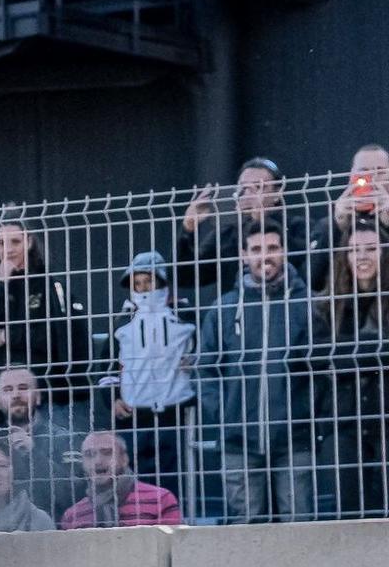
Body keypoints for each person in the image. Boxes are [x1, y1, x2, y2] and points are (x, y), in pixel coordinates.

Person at [195, 226, 315, 523]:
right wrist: (225, 413)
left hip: (295, 435)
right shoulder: (223, 309)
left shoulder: (308, 304)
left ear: (284, 251)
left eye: (273, 248)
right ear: (243, 256)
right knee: (245, 527)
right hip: (238, 438)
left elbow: (323, 368)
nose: (265, 256)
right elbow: (204, 369)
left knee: (299, 524)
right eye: (257, 250)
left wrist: (309, 411)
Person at [93, 250, 196, 501]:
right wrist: (113, 399)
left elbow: (204, 353)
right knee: (134, 485)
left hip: (175, 415)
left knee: (174, 483)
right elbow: (104, 368)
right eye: (137, 283)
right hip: (133, 419)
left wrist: (194, 362)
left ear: (162, 280)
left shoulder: (184, 315)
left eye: (148, 281)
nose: (142, 288)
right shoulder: (123, 320)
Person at [307, 220, 388, 519]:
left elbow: (332, 355)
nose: (363, 256)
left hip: (385, 416)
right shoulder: (328, 305)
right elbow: (313, 356)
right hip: (342, 421)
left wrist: (344, 351)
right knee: (351, 514)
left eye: (371, 248)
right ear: (345, 255)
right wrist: (376, 348)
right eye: (355, 250)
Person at [0, 217, 79, 409]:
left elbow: (48, 336)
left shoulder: (47, 284)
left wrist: (8, 335)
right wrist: (1, 284)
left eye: (15, 241)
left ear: (29, 242)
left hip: (43, 381)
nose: (8, 249)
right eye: (1, 243)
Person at [178, 156, 315, 307]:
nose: (248, 195)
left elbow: (310, 269)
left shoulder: (297, 227)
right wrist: (187, 228)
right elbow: (184, 277)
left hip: (289, 309)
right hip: (239, 317)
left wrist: (262, 221)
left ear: (277, 193)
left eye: (258, 187)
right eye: (243, 188)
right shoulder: (227, 234)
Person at [0, 365, 76, 520]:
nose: (16, 395)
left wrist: (33, 454)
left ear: (39, 397)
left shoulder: (62, 438)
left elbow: (72, 496)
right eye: (8, 389)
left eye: (23, 388)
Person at [59, 430, 181, 529]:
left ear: (124, 459)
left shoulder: (160, 500)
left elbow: (172, 552)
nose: (98, 461)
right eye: (89, 454)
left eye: (107, 453)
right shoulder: (72, 516)